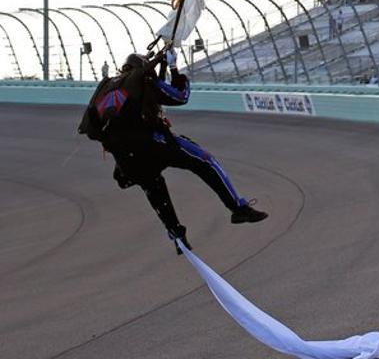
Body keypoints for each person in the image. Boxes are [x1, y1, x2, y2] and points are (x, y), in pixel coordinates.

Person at [78, 49, 268, 253]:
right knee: (205, 161)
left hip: (125, 159)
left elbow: (91, 128)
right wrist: (175, 68)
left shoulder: (104, 88)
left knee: (154, 187)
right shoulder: (144, 81)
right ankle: (238, 208)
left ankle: (177, 235)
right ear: (142, 68)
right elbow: (181, 96)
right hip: (154, 144)